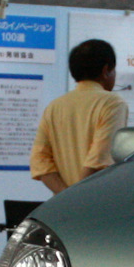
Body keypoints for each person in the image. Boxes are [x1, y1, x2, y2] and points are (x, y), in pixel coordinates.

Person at [31, 39, 127, 193]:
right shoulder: (112, 102)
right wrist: (77, 197)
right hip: (99, 202)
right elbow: (98, 159)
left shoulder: (55, 106)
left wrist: (65, 196)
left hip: (63, 206)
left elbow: (39, 161)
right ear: (106, 70)